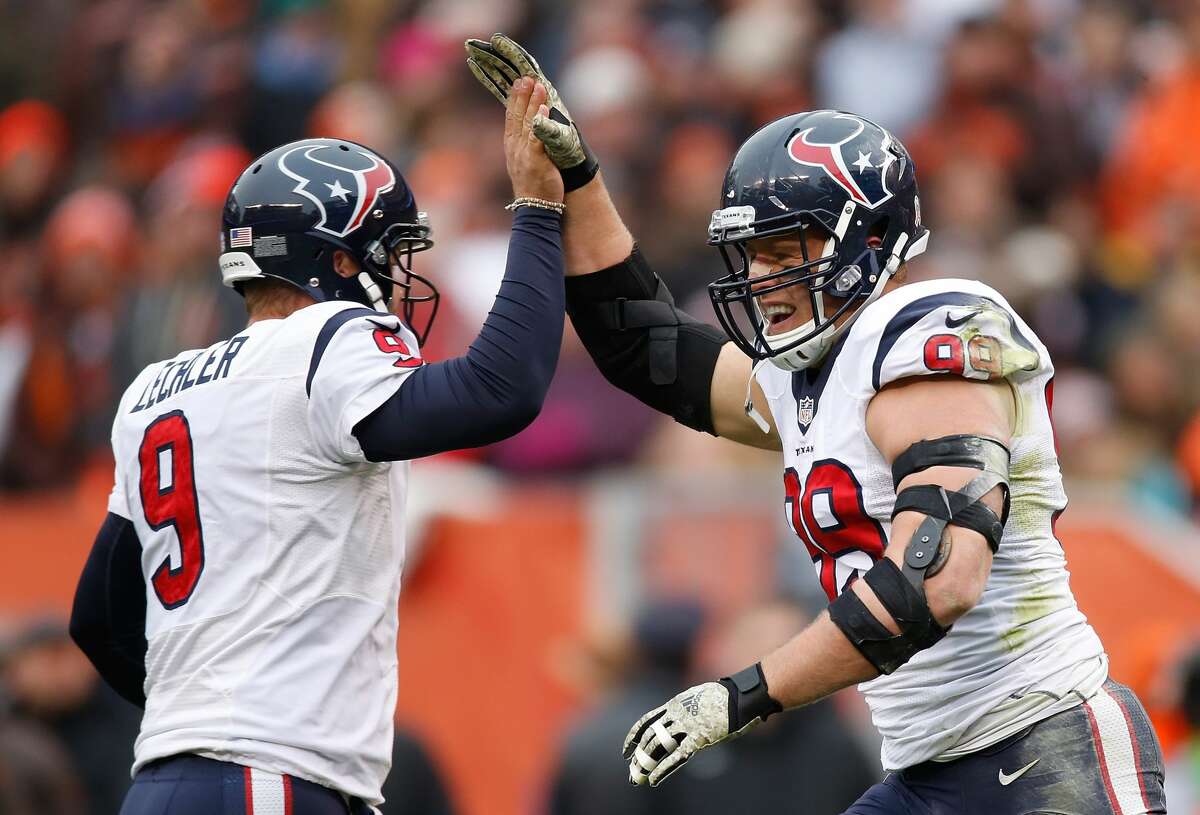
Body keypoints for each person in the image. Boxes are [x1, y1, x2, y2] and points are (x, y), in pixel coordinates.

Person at [465, 34, 1167, 814]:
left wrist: (747, 692)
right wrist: (579, 182)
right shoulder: (814, 374)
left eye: (782, 248)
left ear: (867, 243)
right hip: (929, 763)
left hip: (1040, 747)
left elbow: (938, 580)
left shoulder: (926, 331)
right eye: (751, 255)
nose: (763, 278)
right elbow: (647, 349)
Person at [69, 77, 566, 814]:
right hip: (267, 776)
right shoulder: (326, 339)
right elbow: (502, 390)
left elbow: (98, 617)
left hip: (167, 781)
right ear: (338, 260)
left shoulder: (155, 386)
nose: (400, 277)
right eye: (388, 252)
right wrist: (540, 210)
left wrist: (200, 716)